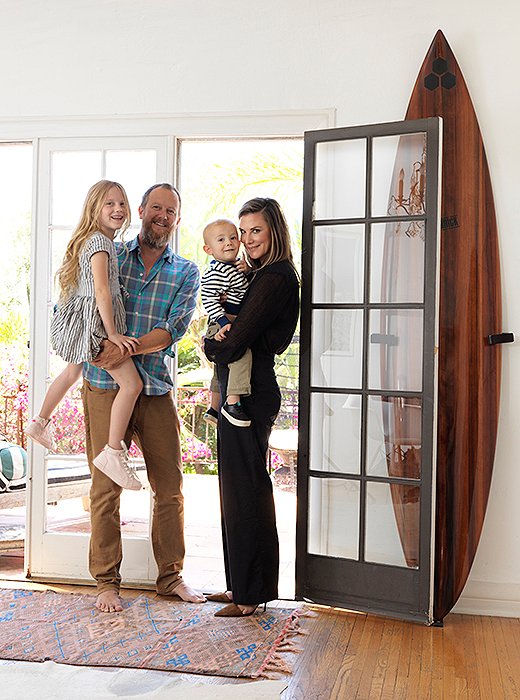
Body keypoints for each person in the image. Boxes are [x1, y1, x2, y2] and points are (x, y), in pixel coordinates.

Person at [82, 183, 206, 612]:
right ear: (141, 210)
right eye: (156, 207)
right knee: (105, 487)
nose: (163, 216)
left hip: (153, 387)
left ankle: (171, 577)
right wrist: (98, 348)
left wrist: (128, 347)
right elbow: (85, 300)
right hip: (103, 385)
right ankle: (105, 583)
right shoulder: (110, 253)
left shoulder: (186, 272)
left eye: (171, 210)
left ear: (177, 218)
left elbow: (175, 328)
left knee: (169, 488)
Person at [204, 197, 299, 617]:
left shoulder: (276, 279)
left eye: (255, 230)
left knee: (247, 492)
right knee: (234, 491)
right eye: (242, 232)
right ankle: (239, 586)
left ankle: (251, 596)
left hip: (252, 391)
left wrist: (209, 344)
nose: (247, 239)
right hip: (239, 387)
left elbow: (236, 339)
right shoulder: (254, 276)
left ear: (274, 231)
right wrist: (218, 344)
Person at [25, 180, 143, 491]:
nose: (118, 209)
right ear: (94, 209)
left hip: (81, 324)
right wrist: (114, 333)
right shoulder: (100, 243)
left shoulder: (92, 240)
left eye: (121, 203)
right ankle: (113, 452)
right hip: (93, 327)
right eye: (109, 204)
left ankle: (39, 422)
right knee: (132, 384)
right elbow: (102, 290)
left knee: (73, 371)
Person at [200, 218, 252, 428]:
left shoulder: (233, 266)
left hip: (230, 319)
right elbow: (209, 299)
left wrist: (247, 271)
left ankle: (213, 408)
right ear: (208, 249)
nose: (229, 243)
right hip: (223, 320)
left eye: (232, 237)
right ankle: (232, 403)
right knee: (241, 355)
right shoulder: (217, 271)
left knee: (220, 367)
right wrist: (222, 323)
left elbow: (244, 289)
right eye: (220, 240)